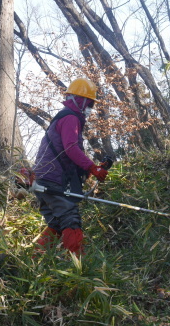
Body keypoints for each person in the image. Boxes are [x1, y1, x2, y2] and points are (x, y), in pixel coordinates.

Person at [32, 78, 108, 255]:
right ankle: (77, 268)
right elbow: (71, 148)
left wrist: (85, 171)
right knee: (70, 219)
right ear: (79, 100)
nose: (90, 108)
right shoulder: (70, 118)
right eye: (89, 103)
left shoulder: (65, 116)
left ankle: (35, 260)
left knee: (57, 224)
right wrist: (93, 168)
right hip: (52, 179)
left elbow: (67, 153)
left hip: (44, 179)